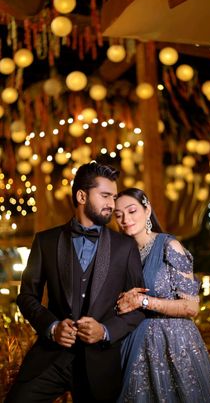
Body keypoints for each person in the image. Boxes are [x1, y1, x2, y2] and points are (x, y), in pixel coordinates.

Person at [5, 163, 145, 403]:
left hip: (101, 364)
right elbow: (26, 297)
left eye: (113, 197)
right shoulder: (46, 241)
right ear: (82, 195)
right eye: (104, 196)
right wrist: (53, 327)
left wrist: (105, 331)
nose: (112, 204)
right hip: (51, 359)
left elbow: (138, 307)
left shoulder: (125, 247)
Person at [114, 188, 210, 403]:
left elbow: (191, 307)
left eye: (131, 211)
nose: (125, 219)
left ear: (147, 210)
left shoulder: (169, 246)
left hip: (173, 343)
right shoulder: (122, 251)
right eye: (118, 215)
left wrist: (143, 301)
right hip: (133, 341)